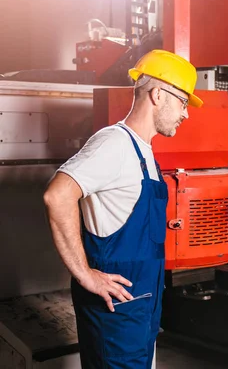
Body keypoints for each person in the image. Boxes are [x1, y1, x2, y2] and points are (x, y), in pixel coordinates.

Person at [43, 49, 203, 368]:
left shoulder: (144, 153)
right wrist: (85, 274)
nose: (186, 113)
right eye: (184, 101)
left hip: (140, 312)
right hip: (115, 318)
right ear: (158, 94)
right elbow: (57, 196)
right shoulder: (113, 144)